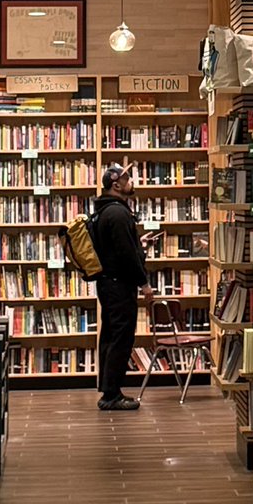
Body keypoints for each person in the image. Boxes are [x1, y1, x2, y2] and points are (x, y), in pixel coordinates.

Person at [93, 164, 155, 411]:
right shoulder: (118, 214)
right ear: (115, 184)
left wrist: (137, 242)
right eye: (127, 178)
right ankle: (111, 395)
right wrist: (145, 284)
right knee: (121, 337)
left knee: (110, 335)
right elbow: (127, 255)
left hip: (108, 283)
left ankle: (109, 389)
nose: (132, 181)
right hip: (119, 286)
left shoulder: (105, 211)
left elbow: (116, 248)